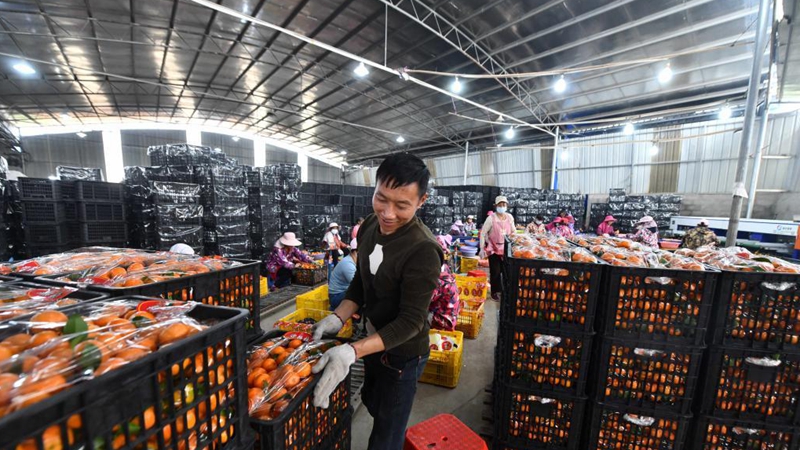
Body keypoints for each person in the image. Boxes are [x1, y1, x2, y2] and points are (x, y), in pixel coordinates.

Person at [309, 152, 443, 450]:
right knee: (373, 403)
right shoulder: (370, 226)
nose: (388, 213)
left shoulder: (422, 250)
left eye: (402, 205)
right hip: (372, 341)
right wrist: (339, 316)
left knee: (386, 432)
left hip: (403, 355)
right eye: (381, 198)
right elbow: (361, 281)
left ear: (421, 202)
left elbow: (411, 321)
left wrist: (352, 351)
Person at [480, 195, 515, 301]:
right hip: (493, 249)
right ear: (496, 206)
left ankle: (504, 291)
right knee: (495, 272)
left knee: (506, 271)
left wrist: (515, 242)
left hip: (506, 250)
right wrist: (482, 248)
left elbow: (513, 231)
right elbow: (483, 233)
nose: (502, 206)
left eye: (504, 204)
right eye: (500, 204)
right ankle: (495, 292)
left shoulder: (509, 217)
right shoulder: (491, 218)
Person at [328, 239, 358, 310]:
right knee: (360, 292)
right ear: (356, 252)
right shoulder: (348, 264)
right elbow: (357, 284)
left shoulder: (355, 260)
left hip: (343, 292)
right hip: (336, 296)